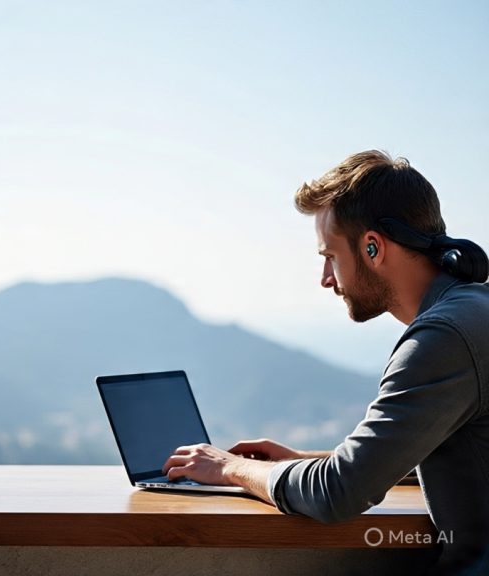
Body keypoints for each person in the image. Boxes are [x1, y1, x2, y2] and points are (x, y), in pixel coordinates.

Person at [160, 150, 489, 575]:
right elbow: (428, 451)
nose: (326, 279)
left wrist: (231, 469)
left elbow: (340, 493)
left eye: (329, 256)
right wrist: (299, 462)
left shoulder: (444, 337)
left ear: (373, 247)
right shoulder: (473, 313)